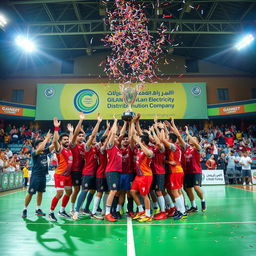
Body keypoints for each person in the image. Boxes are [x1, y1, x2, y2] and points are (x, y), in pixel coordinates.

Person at [73, 114, 102, 221]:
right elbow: (94, 135)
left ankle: (86, 209)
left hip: (96, 173)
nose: (93, 138)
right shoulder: (87, 147)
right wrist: (98, 122)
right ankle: (76, 211)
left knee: (93, 191)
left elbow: (105, 139)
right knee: (84, 191)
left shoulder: (97, 147)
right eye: (91, 138)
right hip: (88, 173)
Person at [22, 131, 53, 218]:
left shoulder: (45, 152)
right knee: (30, 193)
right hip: (35, 176)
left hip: (43, 176)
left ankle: (38, 209)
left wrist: (55, 133)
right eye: (40, 144)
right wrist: (46, 139)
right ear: (36, 146)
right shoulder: (34, 153)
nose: (43, 145)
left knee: (40, 192)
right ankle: (24, 209)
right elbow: (40, 149)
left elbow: (53, 145)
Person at [49, 118, 73, 222]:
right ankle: (51, 213)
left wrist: (71, 132)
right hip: (60, 175)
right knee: (59, 194)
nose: (67, 141)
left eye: (67, 139)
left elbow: (71, 140)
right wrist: (56, 128)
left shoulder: (69, 148)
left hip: (68, 175)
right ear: (61, 141)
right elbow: (54, 141)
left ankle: (62, 211)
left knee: (69, 192)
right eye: (64, 140)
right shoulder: (60, 149)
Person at [182, 126, 206, 212]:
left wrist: (188, 134)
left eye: (194, 139)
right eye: (191, 138)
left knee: (196, 187)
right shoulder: (186, 148)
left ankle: (203, 200)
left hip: (196, 171)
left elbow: (197, 145)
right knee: (187, 188)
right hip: (187, 172)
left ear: (198, 141)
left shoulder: (198, 148)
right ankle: (194, 206)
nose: (192, 139)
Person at [104, 116, 123, 222]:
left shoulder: (118, 149)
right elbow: (113, 134)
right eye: (116, 138)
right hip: (111, 171)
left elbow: (120, 134)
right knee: (113, 191)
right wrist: (115, 122)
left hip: (116, 172)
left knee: (116, 192)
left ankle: (111, 211)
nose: (117, 138)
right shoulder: (110, 146)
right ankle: (107, 213)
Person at [68, 114, 85, 216]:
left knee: (83, 190)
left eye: (83, 135)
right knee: (77, 189)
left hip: (83, 171)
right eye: (80, 135)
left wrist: (81, 131)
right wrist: (80, 121)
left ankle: (79, 207)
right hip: (75, 171)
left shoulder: (83, 146)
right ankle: (72, 208)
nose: (82, 137)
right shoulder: (74, 145)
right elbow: (73, 137)